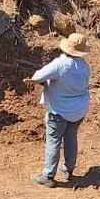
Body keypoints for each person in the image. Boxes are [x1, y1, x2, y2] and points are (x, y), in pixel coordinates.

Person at [27, 33, 92, 188]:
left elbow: (37, 76)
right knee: (71, 138)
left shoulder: (60, 64)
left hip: (60, 111)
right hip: (80, 109)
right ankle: (68, 169)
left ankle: (48, 176)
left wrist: (47, 82)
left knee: (53, 141)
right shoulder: (85, 66)